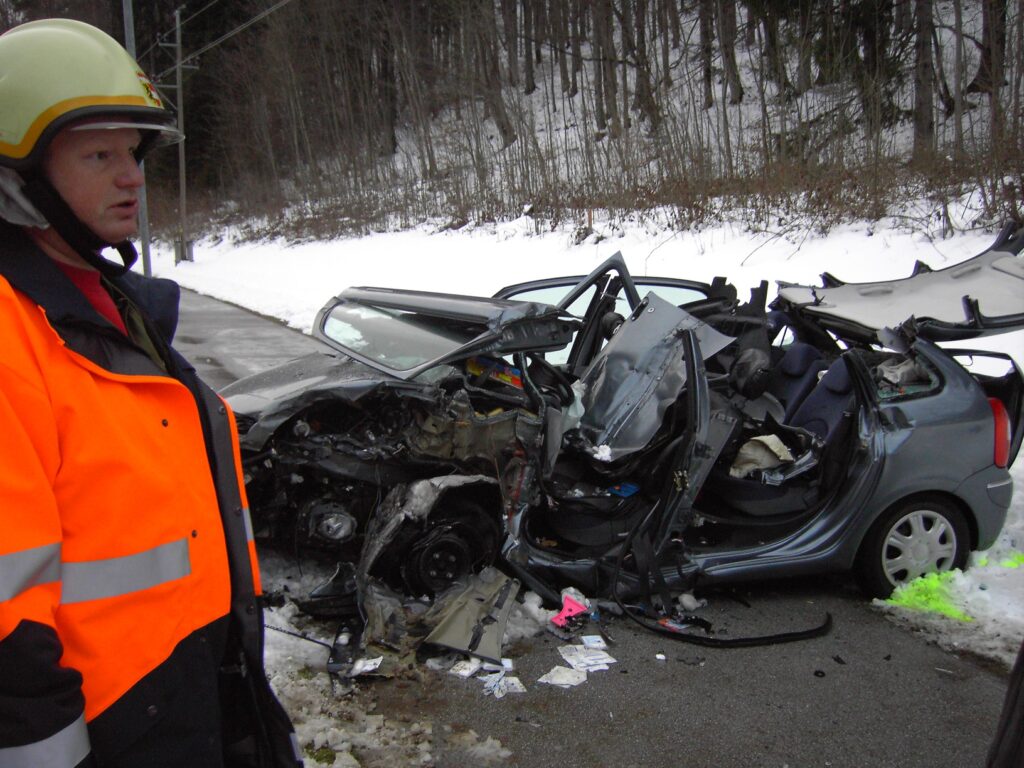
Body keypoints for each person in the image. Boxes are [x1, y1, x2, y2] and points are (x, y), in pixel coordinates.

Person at [0, 18, 302, 768]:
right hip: (110, 725)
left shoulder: (111, 303)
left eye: (133, 152)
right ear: (15, 179)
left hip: (198, 686)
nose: (132, 175)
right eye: (98, 154)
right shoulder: (12, 333)